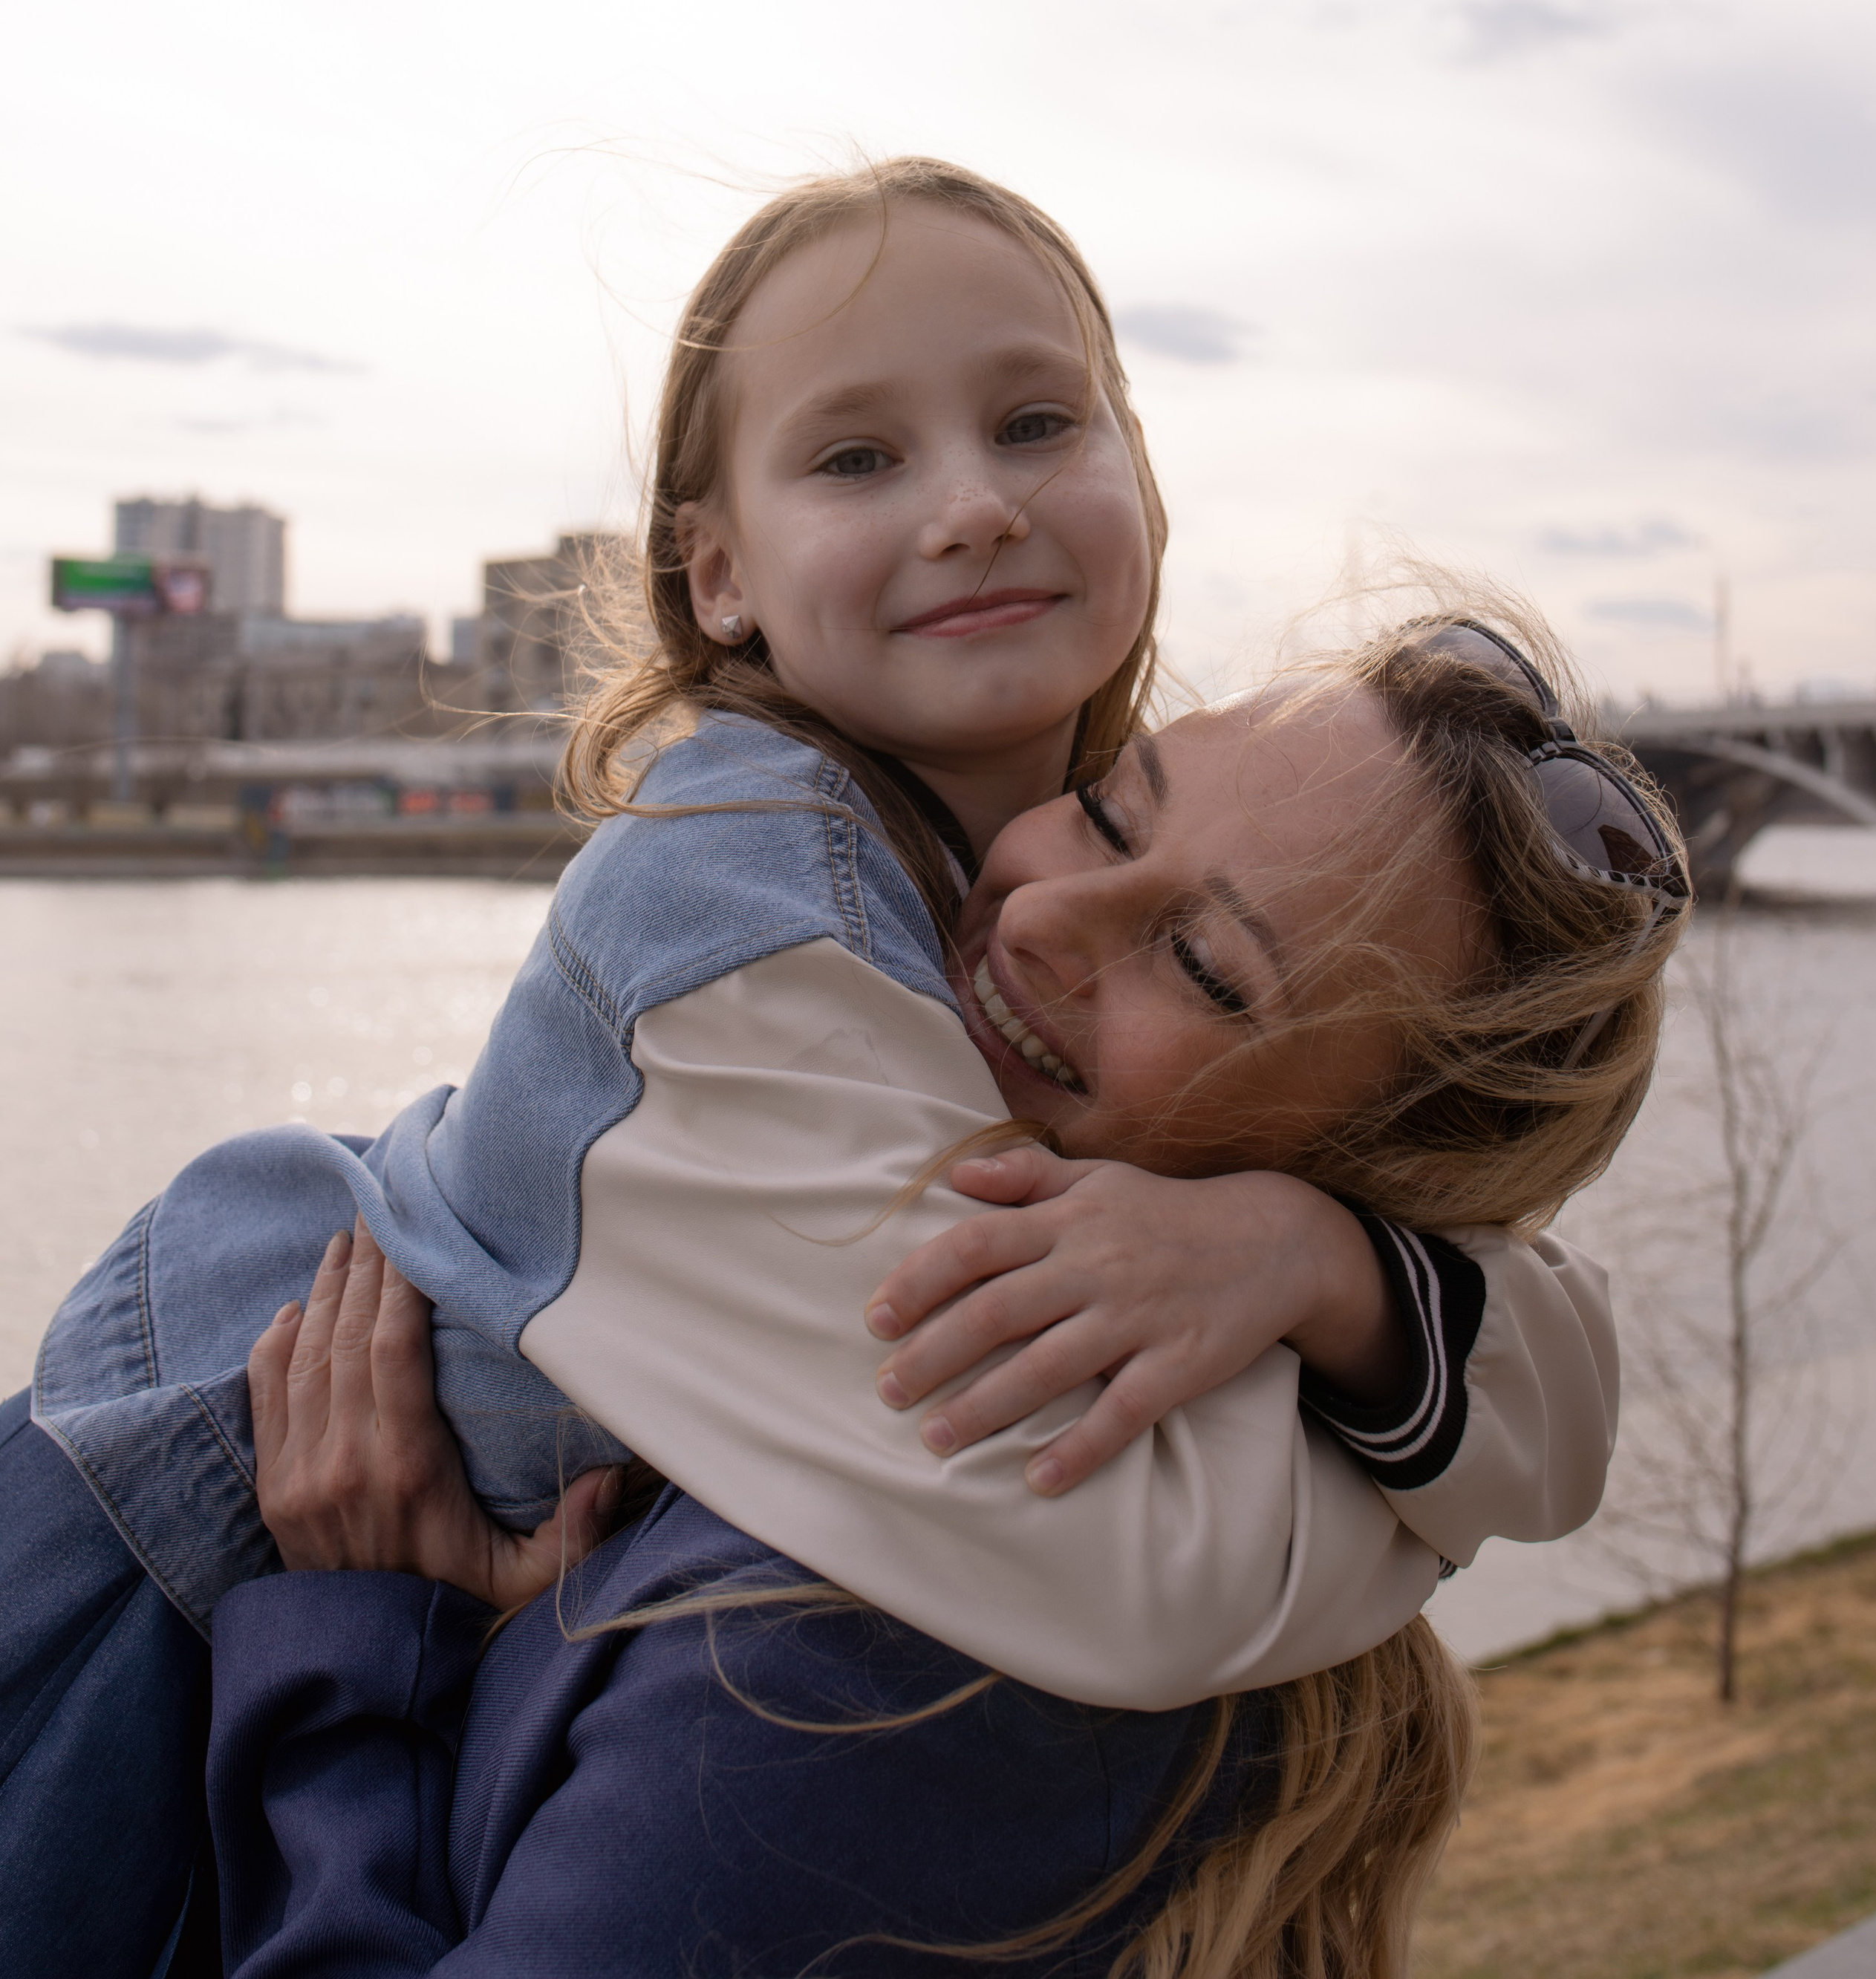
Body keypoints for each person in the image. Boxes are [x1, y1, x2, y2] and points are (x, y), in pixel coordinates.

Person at [1, 164, 1656, 1972]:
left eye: (1033, 420)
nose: (966, 504)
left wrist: (1319, 1266)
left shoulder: (965, 860)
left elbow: (1563, 1371)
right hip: (143, 1561)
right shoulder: (736, 922)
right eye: (855, 458)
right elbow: (1143, 1563)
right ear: (717, 573)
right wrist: (1416, 1481)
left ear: (1144, 493)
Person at [208, 613, 1687, 1976]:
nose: (1048, 914)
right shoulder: (1243, 1483)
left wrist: (356, 1659)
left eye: (1200, 963)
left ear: (1373, 1161)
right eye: (1110, 804)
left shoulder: (879, 1667)